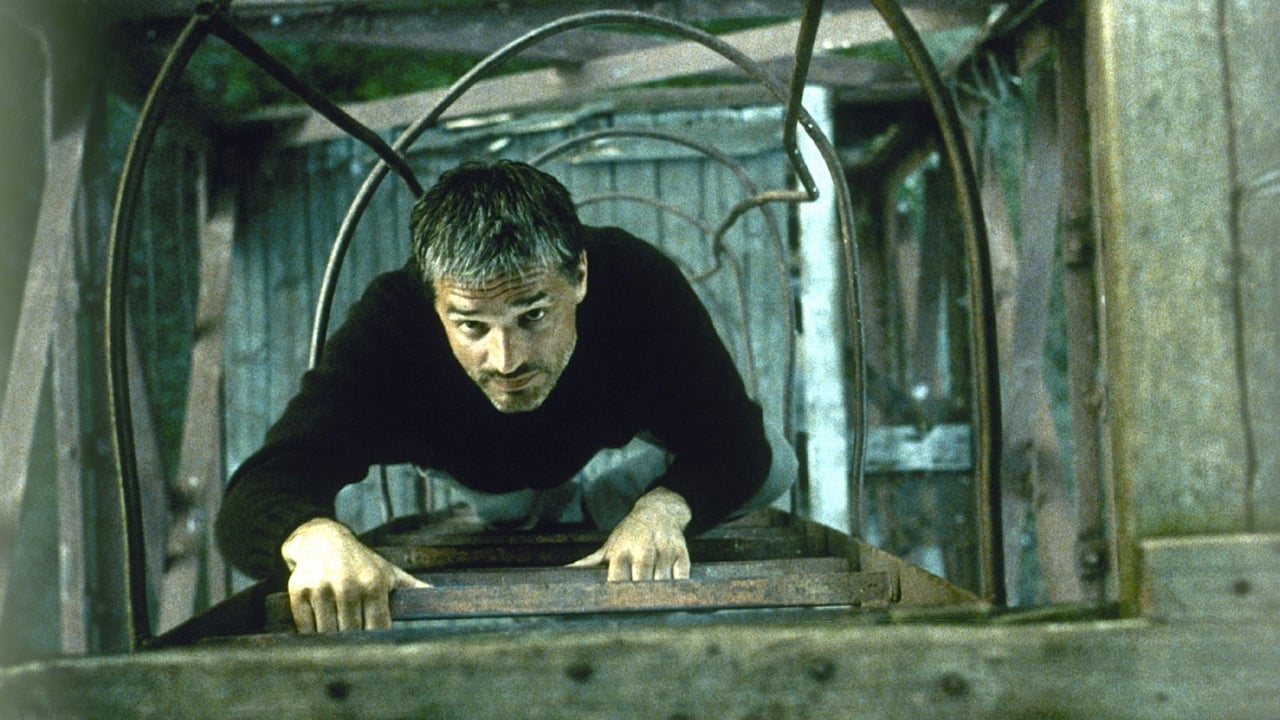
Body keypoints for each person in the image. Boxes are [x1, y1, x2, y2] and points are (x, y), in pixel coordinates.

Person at [214, 159, 796, 633]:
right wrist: (313, 537)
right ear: (432, 300)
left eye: (533, 315)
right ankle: (525, 507)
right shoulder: (389, 326)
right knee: (510, 512)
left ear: (581, 276)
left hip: (599, 427)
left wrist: (662, 508)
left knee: (777, 464)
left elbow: (738, 440)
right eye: (471, 325)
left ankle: (606, 506)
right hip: (482, 465)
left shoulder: (638, 283)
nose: (506, 359)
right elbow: (259, 490)